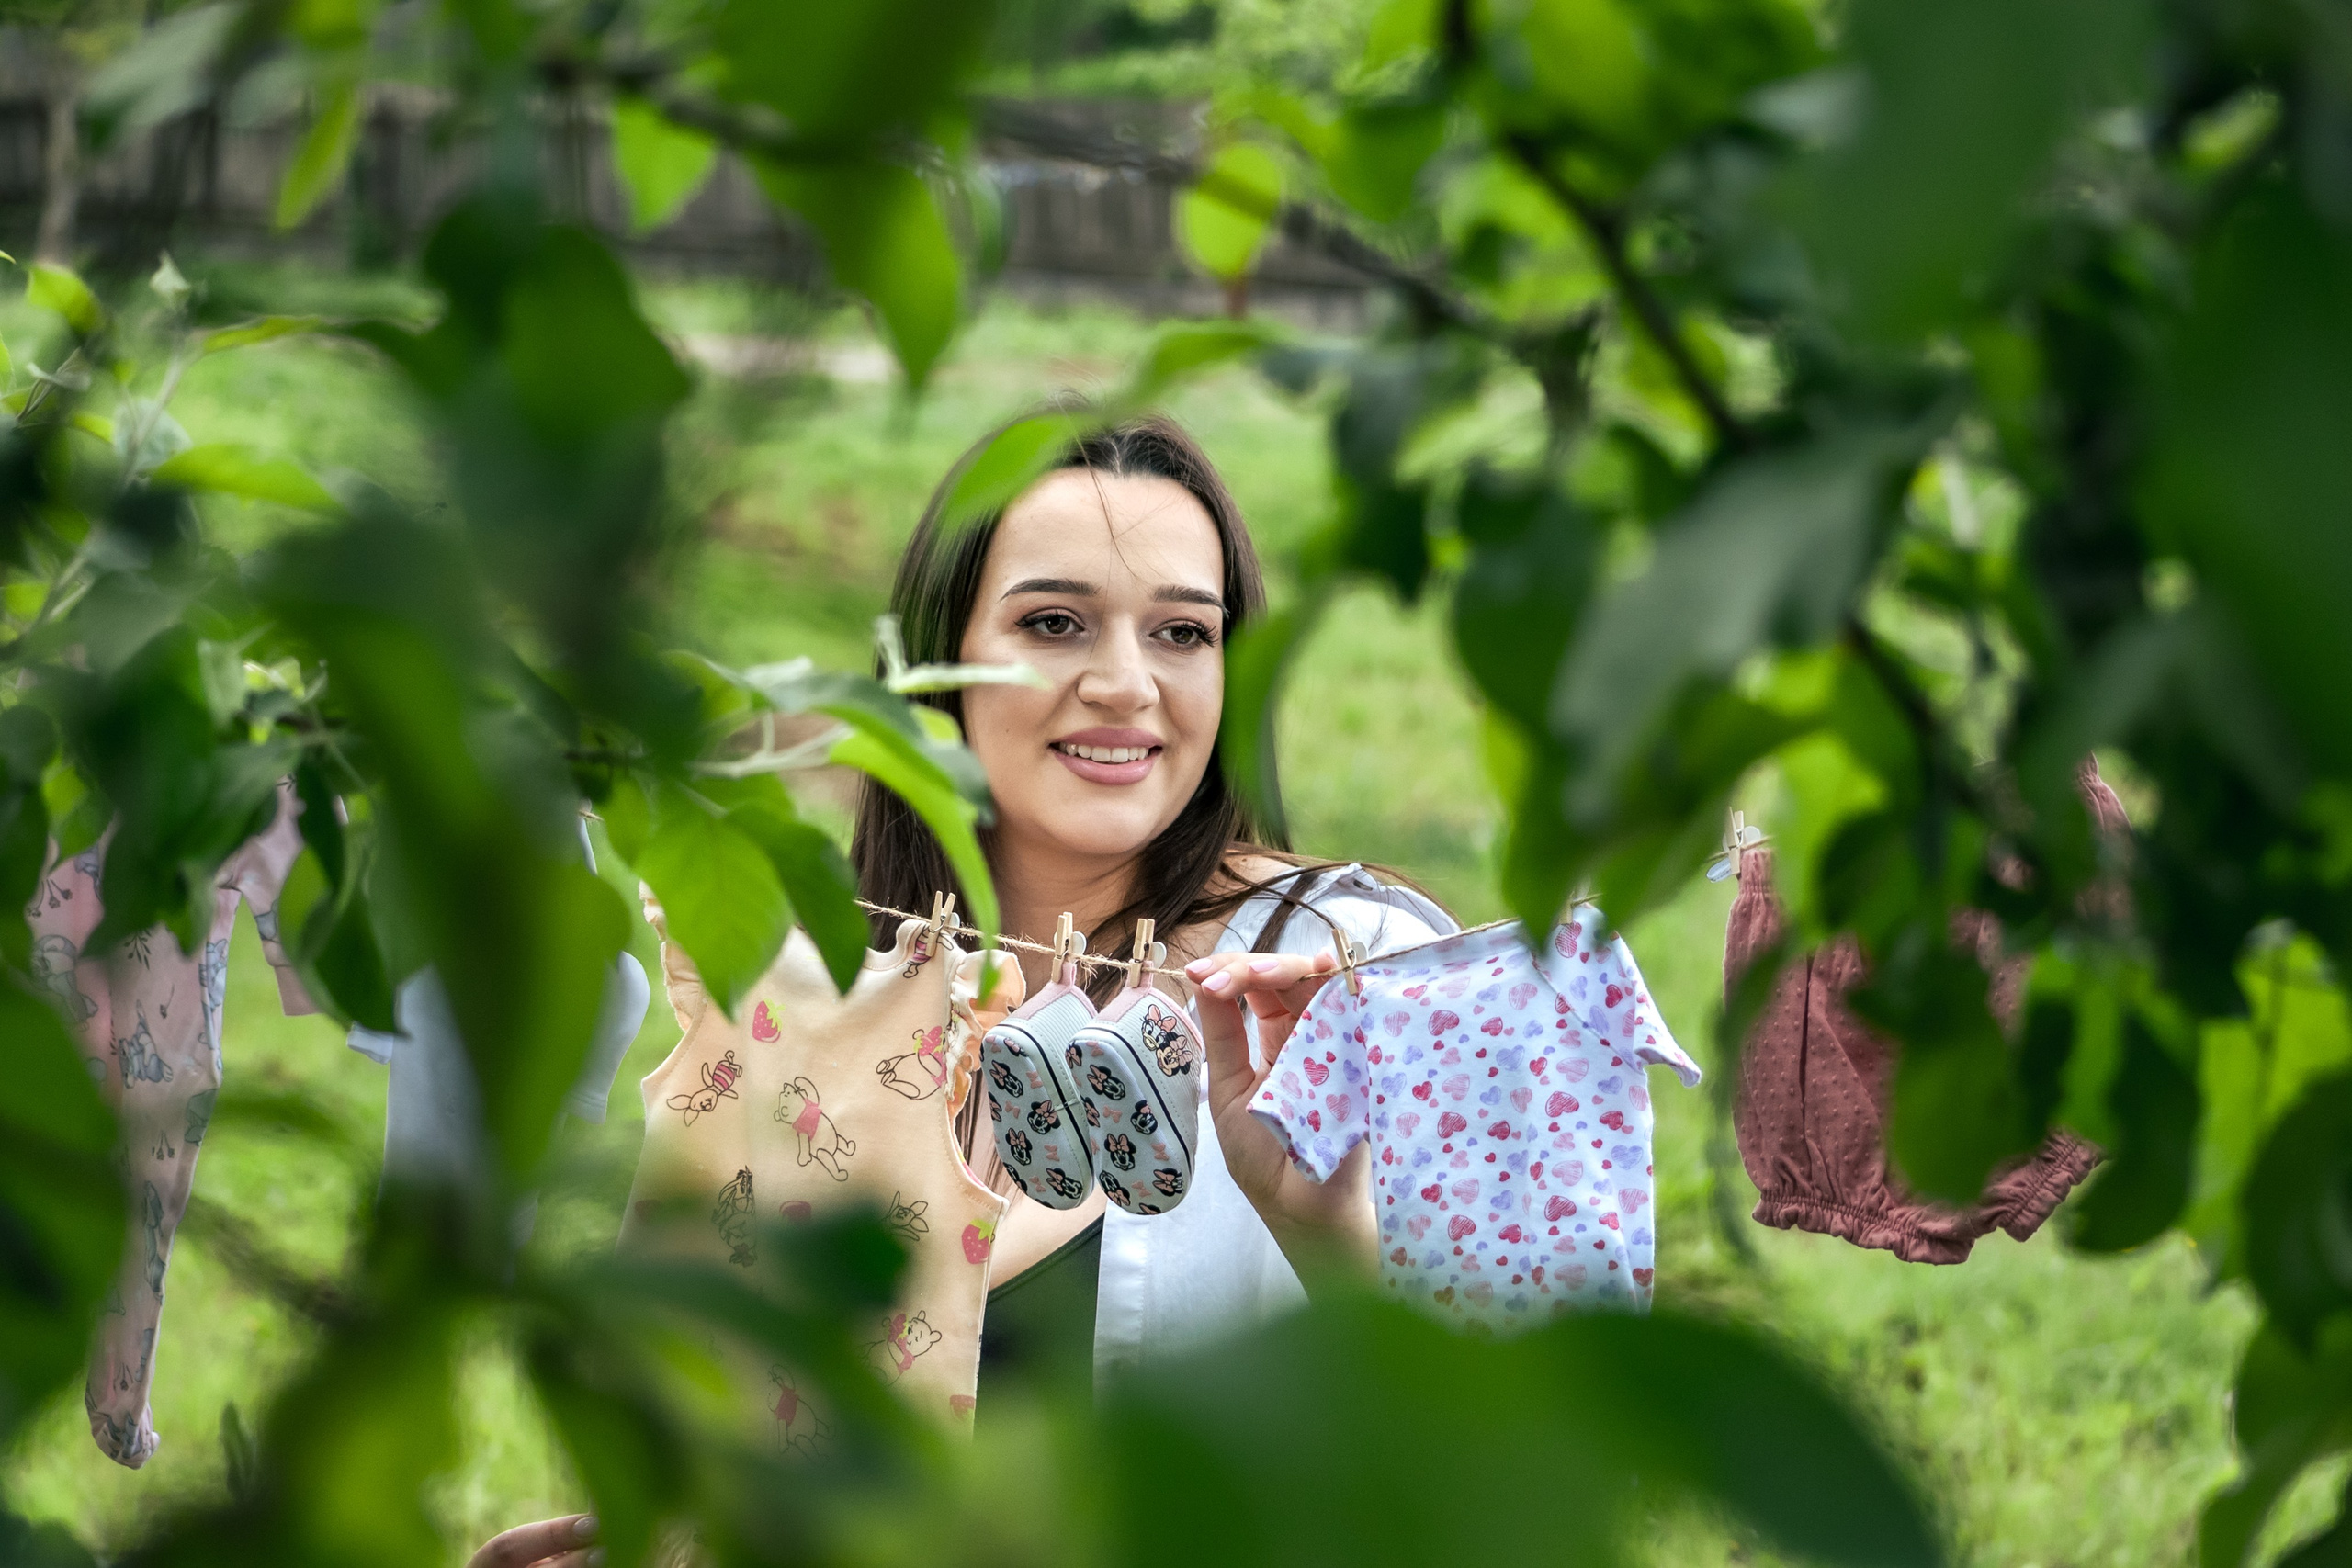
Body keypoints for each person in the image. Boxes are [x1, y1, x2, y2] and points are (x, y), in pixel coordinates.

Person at [471, 414, 1451, 1567]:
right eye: (1052, 623)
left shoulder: (1353, 978)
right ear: (935, 662)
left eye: (1184, 632)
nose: (1126, 684)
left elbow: (1520, 1473)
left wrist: (1328, 1231)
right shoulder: (810, 989)